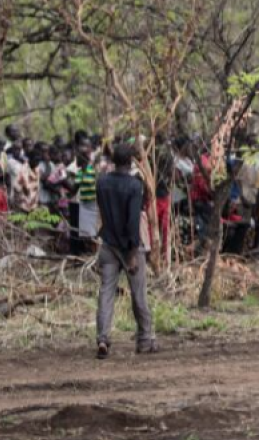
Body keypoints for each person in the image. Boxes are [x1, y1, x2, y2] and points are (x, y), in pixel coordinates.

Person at [93, 143, 159, 359]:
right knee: (138, 293)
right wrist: (132, 252)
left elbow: (102, 211)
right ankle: (145, 339)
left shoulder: (102, 182)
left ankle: (103, 338)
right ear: (131, 162)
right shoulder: (133, 185)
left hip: (108, 243)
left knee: (106, 292)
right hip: (130, 246)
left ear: (113, 161)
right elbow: (132, 221)